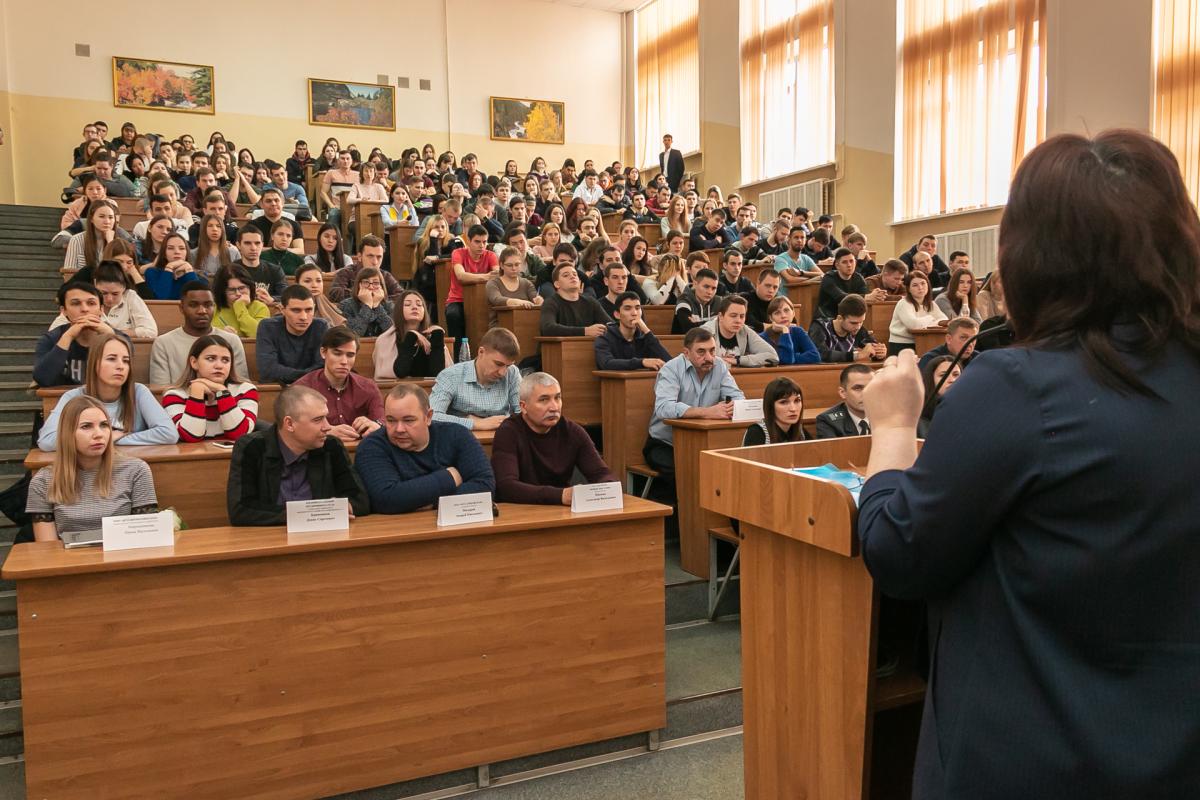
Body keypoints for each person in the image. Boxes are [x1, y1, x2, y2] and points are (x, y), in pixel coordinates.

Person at [856, 129, 1200, 798]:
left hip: (1034, 756)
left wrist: (894, 427)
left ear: (1031, 258)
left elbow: (899, 551)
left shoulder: (1018, 387)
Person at [226, 385, 370, 526]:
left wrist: (346, 507)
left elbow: (360, 500)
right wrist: (307, 514)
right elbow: (240, 510)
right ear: (289, 424)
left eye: (326, 418)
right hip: (269, 538)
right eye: (318, 420)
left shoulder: (331, 446)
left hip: (322, 537)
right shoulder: (251, 447)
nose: (327, 427)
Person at [26, 395, 158, 542]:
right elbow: (48, 551)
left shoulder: (136, 470)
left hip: (123, 559)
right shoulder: (43, 482)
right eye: (86, 426)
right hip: (69, 562)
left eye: (104, 425)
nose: (99, 434)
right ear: (67, 434)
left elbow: (146, 539)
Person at [355, 382, 495, 514]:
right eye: (391, 420)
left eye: (408, 420)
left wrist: (431, 503)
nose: (399, 429)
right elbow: (386, 499)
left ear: (428, 417)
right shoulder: (371, 446)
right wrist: (449, 478)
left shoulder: (457, 435)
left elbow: (485, 485)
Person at [491, 373, 617, 505]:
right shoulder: (508, 432)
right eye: (544, 400)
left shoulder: (572, 431)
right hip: (521, 510)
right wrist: (560, 495)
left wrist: (606, 489)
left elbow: (602, 473)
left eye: (557, 398)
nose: (554, 407)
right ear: (523, 407)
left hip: (561, 510)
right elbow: (506, 487)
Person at [38, 333, 177, 450]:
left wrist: (114, 439)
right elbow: (46, 440)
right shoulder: (74, 397)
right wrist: (106, 437)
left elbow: (169, 433)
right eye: (111, 359)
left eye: (126, 361)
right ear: (94, 363)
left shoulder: (139, 391)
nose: (120, 366)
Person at [644, 327, 744, 483]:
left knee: (730, 467)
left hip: (704, 442)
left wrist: (733, 407)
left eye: (712, 351)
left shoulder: (719, 366)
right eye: (701, 352)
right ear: (686, 353)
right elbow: (664, 408)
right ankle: (679, 507)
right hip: (666, 444)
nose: (709, 357)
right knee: (688, 471)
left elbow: (738, 398)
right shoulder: (671, 369)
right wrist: (706, 412)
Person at [294, 326, 384, 443]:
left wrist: (376, 425)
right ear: (323, 352)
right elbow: (292, 426)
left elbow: (383, 419)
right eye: (337, 353)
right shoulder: (302, 388)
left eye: (350, 355)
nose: (344, 361)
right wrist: (324, 431)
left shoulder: (368, 387)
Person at [161, 335, 258, 442]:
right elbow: (191, 436)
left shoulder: (245, 390)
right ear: (194, 362)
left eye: (225, 360)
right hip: (193, 457)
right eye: (211, 359)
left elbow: (239, 434)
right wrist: (197, 391)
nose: (219, 365)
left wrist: (222, 391)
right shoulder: (174, 395)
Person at [148, 283, 248, 385]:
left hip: (226, 398)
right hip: (178, 400)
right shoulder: (163, 343)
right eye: (193, 305)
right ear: (182, 308)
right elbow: (160, 389)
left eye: (208, 305)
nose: (202, 311)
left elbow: (240, 385)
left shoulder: (232, 340)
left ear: (214, 306)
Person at [34, 283, 127, 387]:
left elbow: (126, 378)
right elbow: (43, 379)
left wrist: (110, 336)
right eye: (75, 303)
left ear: (101, 309)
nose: (84, 309)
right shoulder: (50, 339)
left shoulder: (120, 338)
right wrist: (68, 337)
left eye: (91, 303)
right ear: (63, 311)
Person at [429, 327, 521, 430]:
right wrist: (475, 423)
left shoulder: (512, 373)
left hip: (502, 436)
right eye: (498, 364)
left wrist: (508, 421)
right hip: (460, 439)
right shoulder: (451, 375)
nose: (503, 373)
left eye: (508, 366)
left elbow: (523, 413)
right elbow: (432, 416)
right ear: (481, 352)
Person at [48, 261, 156, 338]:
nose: (109, 299)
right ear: (95, 284)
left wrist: (111, 332)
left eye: (115, 294)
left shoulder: (130, 297)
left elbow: (150, 331)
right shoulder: (84, 298)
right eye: (103, 293)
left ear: (123, 288)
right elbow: (53, 331)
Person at [256, 285, 329, 384]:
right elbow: (268, 370)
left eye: (308, 310)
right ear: (282, 309)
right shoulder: (268, 327)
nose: (303, 317)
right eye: (296, 310)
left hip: (312, 390)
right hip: (279, 390)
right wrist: (309, 376)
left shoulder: (321, 326)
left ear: (314, 309)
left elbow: (323, 367)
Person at [375, 290, 451, 380]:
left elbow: (439, 376)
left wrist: (437, 340)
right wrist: (411, 337)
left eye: (419, 305)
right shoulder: (386, 339)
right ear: (399, 310)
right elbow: (398, 373)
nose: (415, 307)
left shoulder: (432, 337)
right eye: (407, 304)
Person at [442, 225, 499, 341]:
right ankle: (458, 356)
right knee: (453, 315)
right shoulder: (458, 253)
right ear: (468, 241)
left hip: (483, 300)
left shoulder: (491, 255)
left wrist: (486, 277)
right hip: (458, 300)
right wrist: (486, 276)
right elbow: (461, 276)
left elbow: (497, 275)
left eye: (484, 242)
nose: (482, 246)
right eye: (477, 242)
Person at [595, 292, 672, 371]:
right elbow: (606, 363)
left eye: (637, 308)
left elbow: (669, 362)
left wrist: (647, 331)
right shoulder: (605, 337)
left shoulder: (645, 337)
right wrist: (641, 362)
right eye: (627, 308)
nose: (634, 313)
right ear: (617, 314)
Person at [700, 295, 779, 367]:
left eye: (742, 316)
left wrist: (738, 360)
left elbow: (772, 356)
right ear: (721, 316)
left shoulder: (745, 330)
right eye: (733, 316)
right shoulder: (706, 332)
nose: (738, 320)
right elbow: (699, 360)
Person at [808, 294, 887, 363]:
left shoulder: (858, 329)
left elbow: (872, 346)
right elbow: (821, 354)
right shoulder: (819, 327)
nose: (858, 327)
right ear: (840, 318)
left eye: (861, 322)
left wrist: (879, 353)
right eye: (853, 323)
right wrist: (857, 355)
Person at [539, 262, 610, 338]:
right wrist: (584, 331)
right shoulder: (550, 302)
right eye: (566, 275)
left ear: (579, 282)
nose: (572, 277)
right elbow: (548, 328)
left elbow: (610, 325)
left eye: (575, 274)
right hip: (557, 348)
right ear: (557, 284)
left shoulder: (590, 302)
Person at [887, 271, 948, 354]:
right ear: (908, 289)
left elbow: (944, 320)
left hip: (924, 342)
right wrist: (932, 318)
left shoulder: (931, 303)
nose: (920, 287)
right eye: (915, 285)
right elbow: (914, 325)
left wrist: (930, 323)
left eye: (923, 283)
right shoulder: (903, 303)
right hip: (902, 345)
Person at [817, 248, 886, 319]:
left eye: (851, 261)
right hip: (827, 319)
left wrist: (876, 296)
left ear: (855, 263)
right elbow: (841, 297)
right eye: (844, 262)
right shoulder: (829, 278)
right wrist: (867, 297)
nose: (849, 265)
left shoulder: (858, 277)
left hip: (850, 318)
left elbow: (865, 294)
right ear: (837, 265)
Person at [486, 246, 542, 327]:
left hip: (525, 326)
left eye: (517, 264)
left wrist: (539, 300)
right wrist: (519, 302)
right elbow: (497, 300)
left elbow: (535, 298)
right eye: (509, 265)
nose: (514, 268)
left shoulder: (526, 283)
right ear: (501, 265)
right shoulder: (493, 283)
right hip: (500, 328)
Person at [814, 363, 874, 438]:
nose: (866, 394)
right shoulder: (828, 421)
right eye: (858, 388)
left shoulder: (889, 416)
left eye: (871, 387)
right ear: (843, 393)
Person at [742, 377, 807, 446]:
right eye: (784, 402)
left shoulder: (800, 431)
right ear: (770, 406)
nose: (793, 409)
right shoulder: (756, 432)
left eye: (797, 401)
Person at [212, 264, 270, 338]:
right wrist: (220, 332)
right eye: (231, 290)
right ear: (222, 292)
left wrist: (239, 306)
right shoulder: (213, 307)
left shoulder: (260, 307)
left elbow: (258, 335)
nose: (238, 294)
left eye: (242, 288)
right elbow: (203, 332)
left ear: (250, 287)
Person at [143, 233, 206, 300]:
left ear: (187, 252)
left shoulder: (199, 276)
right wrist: (169, 268)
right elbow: (161, 299)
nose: (177, 252)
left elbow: (199, 299)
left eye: (181, 248)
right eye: (171, 248)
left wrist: (189, 270)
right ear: (164, 253)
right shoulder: (152, 273)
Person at [233, 226, 286, 305]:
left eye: (257, 243)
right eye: (247, 243)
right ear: (238, 245)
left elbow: (286, 295)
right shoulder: (229, 270)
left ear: (262, 245)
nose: (253, 248)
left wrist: (272, 299)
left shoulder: (275, 270)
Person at [758, 296, 820, 365]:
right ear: (771, 318)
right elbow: (786, 360)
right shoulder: (763, 337)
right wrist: (785, 331)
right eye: (777, 313)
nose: (783, 315)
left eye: (786, 310)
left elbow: (815, 356)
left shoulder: (798, 331)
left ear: (793, 313)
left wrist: (792, 357)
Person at [337, 267, 394, 337]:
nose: (371, 287)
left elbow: (392, 333)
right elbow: (353, 335)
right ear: (358, 285)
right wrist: (367, 306)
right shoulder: (346, 305)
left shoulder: (389, 306)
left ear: (381, 286)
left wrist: (377, 307)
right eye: (366, 282)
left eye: (375, 283)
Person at [915, 354, 962, 438]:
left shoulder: (971, 406)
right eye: (943, 375)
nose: (952, 380)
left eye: (956, 375)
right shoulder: (920, 414)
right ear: (931, 380)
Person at [672, 267, 720, 334]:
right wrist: (716, 323)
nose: (710, 292)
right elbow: (689, 328)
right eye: (706, 287)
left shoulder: (719, 302)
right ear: (695, 284)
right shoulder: (684, 300)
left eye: (714, 288)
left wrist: (697, 323)